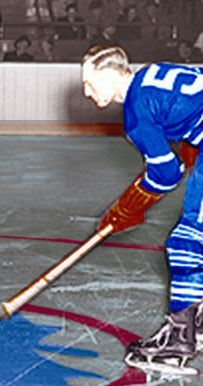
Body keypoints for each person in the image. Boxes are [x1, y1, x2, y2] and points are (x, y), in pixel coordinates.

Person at [81, 44, 203, 376]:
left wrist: (125, 209)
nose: (87, 93)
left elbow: (165, 175)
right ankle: (196, 320)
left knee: (187, 242)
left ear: (110, 74)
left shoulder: (136, 111)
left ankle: (179, 341)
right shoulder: (151, 75)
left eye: (90, 84)